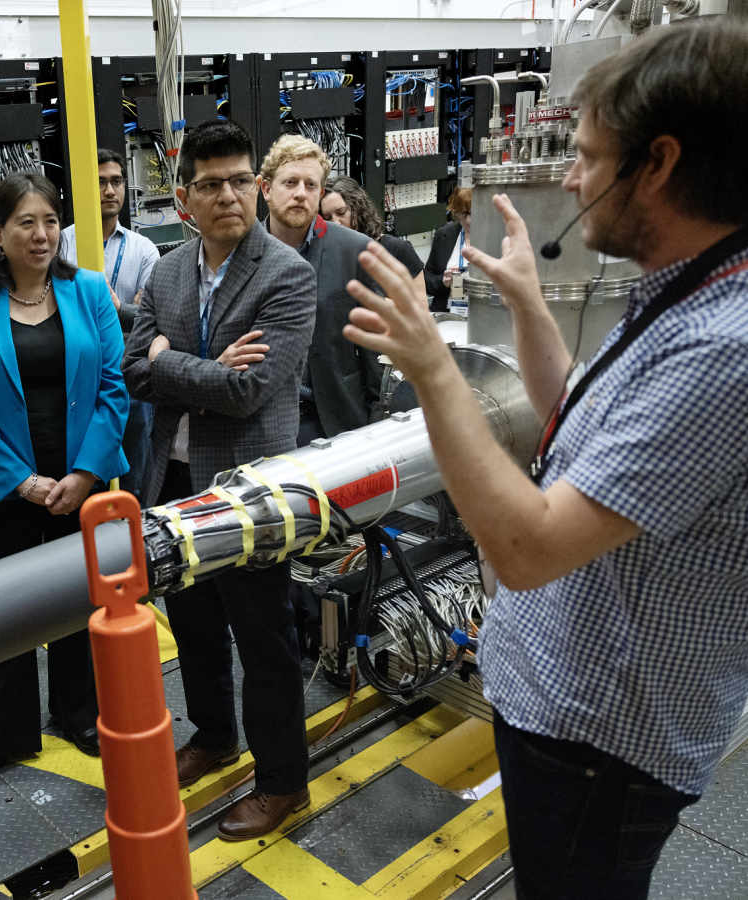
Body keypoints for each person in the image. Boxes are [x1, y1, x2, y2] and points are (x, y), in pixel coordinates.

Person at [341, 20, 748, 899]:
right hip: (570, 709)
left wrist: (433, 370)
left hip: (604, 743)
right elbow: (579, 422)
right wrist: (526, 303)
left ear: (661, 163)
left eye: (590, 158)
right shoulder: (688, 294)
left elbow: (525, 551)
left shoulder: (724, 350)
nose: (570, 178)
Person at [123, 121, 317, 840]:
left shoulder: (286, 275)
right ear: (184, 198)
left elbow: (249, 392)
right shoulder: (168, 271)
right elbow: (132, 367)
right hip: (173, 478)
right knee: (195, 623)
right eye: (212, 184)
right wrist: (191, 366)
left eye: (241, 180)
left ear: (256, 187)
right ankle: (214, 736)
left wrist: (173, 363)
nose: (229, 195)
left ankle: (282, 781)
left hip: (250, 489)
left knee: (264, 638)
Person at [0, 172, 129, 805]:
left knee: (80, 602)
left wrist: (84, 474)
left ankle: (78, 712)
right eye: (26, 222)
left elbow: (113, 386)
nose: (42, 234)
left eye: (50, 221)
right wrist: (21, 480)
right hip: (7, 487)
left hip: (80, 479)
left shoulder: (90, 292)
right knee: (5, 614)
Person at [258, 136, 381, 444]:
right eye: (290, 183)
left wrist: (380, 423)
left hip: (336, 421)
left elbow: (377, 350)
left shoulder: (355, 251)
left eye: (311, 185)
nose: (301, 193)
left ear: (320, 193)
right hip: (260, 425)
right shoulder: (239, 255)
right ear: (266, 189)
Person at [57, 148, 160, 500]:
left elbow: (148, 316)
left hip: (128, 376)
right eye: (100, 183)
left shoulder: (144, 249)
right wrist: (119, 308)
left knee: (132, 480)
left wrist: (112, 307)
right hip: (72, 377)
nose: (110, 190)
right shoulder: (59, 244)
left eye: (116, 181)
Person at [321, 175, 427, 302]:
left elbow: (421, 309)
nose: (336, 223)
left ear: (359, 208)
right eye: (327, 218)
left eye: (341, 212)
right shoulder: (327, 256)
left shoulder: (397, 248)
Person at [424, 187, 471, 312]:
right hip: (448, 314)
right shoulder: (444, 235)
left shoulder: (496, 238)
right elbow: (427, 280)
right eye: (463, 213)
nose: (468, 220)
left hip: (483, 316)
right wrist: (443, 282)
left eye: (472, 213)